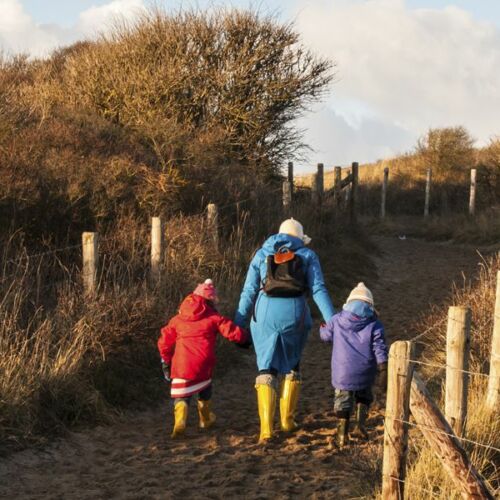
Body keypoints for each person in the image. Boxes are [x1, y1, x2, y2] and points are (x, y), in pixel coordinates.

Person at [235, 218, 335, 442]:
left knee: (266, 368)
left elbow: (248, 290)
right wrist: (334, 322)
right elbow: (318, 289)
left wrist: (238, 323)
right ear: (301, 238)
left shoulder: (261, 254)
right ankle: (287, 421)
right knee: (292, 364)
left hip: (264, 314)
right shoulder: (308, 256)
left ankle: (266, 430)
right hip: (295, 313)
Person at [158, 279, 249, 438]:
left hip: (181, 363)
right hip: (203, 361)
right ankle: (205, 419)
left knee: (182, 394)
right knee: (204, 389)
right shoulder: (213, 317)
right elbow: (232, 331)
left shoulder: (177, 320)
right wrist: (246, 339)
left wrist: (165, 360)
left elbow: (164, 342)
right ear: (210, 301)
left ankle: (179, 421)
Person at [319, 282, 388, 448]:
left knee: (343, 400)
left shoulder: (336, 319)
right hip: (365, 370)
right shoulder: (375, 324)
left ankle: (342, 435)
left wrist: (322, 328)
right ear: (370, 305)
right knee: (363, 396)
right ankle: (360, 427)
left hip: (343, 371)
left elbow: (326, 337)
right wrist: (383, 366)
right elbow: (379, 347)